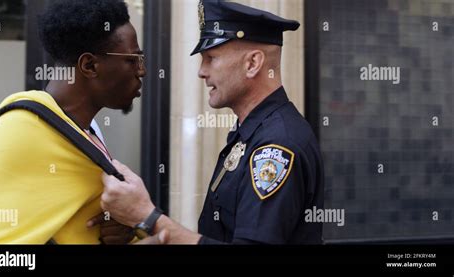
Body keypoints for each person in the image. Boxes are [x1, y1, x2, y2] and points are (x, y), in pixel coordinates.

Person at [95, 0, 324, 244]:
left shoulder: (277, 145)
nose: (201, 71)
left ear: (252, 63)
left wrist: (147, 216)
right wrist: (141, 227)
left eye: (211, 57)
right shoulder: (253, 132)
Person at [0, 0, 144, 244]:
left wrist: (124, 226)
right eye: (132, 60)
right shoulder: (21, 131)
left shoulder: (83, 130)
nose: (141, 71)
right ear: (89, 65)